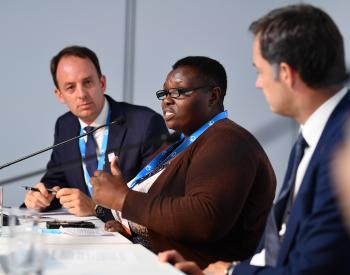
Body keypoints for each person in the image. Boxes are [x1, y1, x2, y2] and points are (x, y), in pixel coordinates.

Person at [159, 4, 350, 275]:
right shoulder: (316, 135)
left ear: (286, 73)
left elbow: (313, 269)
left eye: (259, 72)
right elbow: (285, 245)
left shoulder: (342, 147)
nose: (258, 84)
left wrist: (230, 274)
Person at [90, 56, 276, 267]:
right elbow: (167, 214)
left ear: (213, 96)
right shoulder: (183, 145)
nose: (167, 100)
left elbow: (204, 219)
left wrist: (123, 199)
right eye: (165, 93)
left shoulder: (227, 140)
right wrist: (131, 226)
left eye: (178, 92)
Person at [23, 45, 168, 219]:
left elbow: (158, 200)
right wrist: (41, 197)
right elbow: (57, 180)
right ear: (59, 95)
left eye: (88, 82)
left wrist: (97, 209)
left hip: (130, 239)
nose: (82, 94)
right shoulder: (65, 125)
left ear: (102, 83)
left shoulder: (144, 124)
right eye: (70, 87)